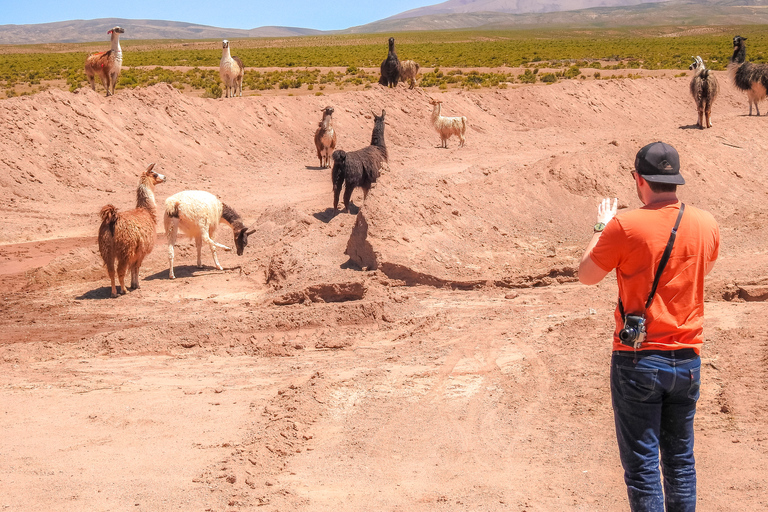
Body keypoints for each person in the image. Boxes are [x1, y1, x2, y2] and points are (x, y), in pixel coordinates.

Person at [578, 141, 720, 512]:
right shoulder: (706, 224)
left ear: (638, 179)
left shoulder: (625, 225)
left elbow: (586, 275)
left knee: (642, 468)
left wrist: (600, 227)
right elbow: (700, 271)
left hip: (638, 361)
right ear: (675, 181)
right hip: (687, 359)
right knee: (680, 462)